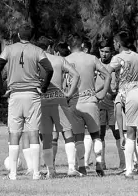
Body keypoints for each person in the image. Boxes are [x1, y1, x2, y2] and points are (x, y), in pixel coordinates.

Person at [0, 24, 54, 180]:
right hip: (32, 95)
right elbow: (49, 69)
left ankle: (13, 174)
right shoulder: (37, 50)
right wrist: (44, 87)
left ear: (18, 35)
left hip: (15, 95)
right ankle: (36, 173)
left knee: (14, 134)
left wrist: (1, 90)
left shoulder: (9, 49)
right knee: (34, 133)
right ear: (32, 37)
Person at [106, 31, 138, 178]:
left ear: (118, 43)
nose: (113, 45)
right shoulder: (136, 56)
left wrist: (108, 89)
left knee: (130, 133)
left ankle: (129, 170)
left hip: (128, 95)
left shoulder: (117, 58)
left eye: (114, 43)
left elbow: (107, 71)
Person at [65, 34, 111, 176]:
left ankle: (82, 167)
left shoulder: (65, 60)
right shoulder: (91, 58)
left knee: (78, 137)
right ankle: (98, 164)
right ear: (83, 46)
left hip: (74, 103)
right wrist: (102, 94)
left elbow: (61, 82)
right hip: (90, 101)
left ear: (68, 47)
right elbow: (108, 75)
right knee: (95, 135)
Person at [36, 37, 81, 178]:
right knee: (67, 133)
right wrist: (69, 93)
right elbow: (76, 75)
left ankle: (51, 170)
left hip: (42, 101)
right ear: (49, 47)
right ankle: (72, 168)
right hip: (59, 99)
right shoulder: (58, 60)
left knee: (47, 137)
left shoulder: (35, 61)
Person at [95, 39, 124, 170]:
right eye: (102, 51)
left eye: (107, 52)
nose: (104, 54)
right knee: (100, 134)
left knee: (117, 133)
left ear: (111, 52)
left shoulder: (115, 65)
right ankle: (101, 162)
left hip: (113, 104)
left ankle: (123, 162)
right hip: (99, 104)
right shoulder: (95, 64)